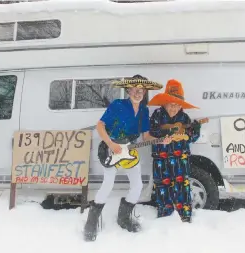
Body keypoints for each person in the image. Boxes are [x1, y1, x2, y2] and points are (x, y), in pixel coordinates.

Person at [84, 74, 168, 241]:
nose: (138, 94)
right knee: (107, 185)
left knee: (137, 186)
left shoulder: (144, 110)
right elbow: (100, 125)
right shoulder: (118, 105)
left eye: (141, 91)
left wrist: (162, 139)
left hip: (129, 151)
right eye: (135, 90)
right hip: (111, 149)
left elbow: (145, 137)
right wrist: (110, 143)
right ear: (129, 90)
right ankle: (91, 221)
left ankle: (123, 218)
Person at [148, 79, 201, 223]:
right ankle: (165, 220)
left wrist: (195, 131)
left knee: (182, 189)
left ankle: (185, 219)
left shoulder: (184, 117)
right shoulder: (157, 115)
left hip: (180, 160)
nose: (174, 108)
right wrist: (166, 134)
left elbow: (191, 138)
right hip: (161, 160)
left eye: (177, 105)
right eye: (171, 104)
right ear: (165, 102)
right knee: (162, 189)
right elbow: (152, 131)